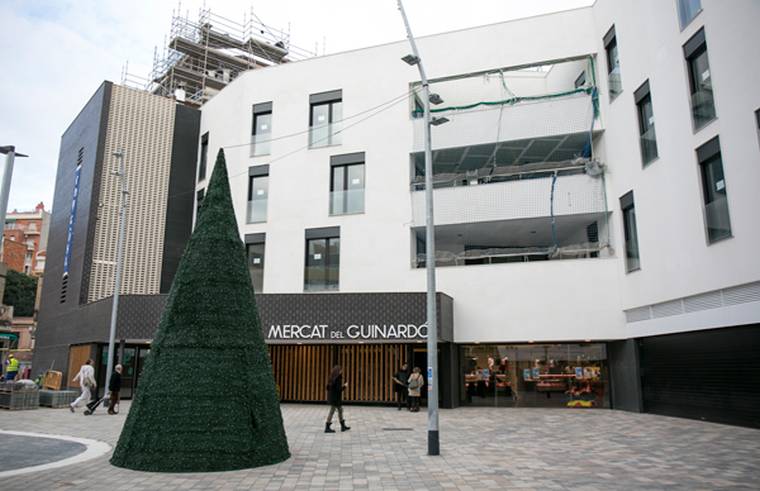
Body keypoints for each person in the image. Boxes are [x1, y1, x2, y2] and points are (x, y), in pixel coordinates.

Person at [324, 365, 350, 433]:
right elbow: (339, 389)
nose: (341, 371)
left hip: (332, 397)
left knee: (340, 410)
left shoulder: (331, 378)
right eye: (341, 370)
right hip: (336, 398)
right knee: (333, 411)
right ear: (338, 371)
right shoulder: (338, 378)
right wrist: (345, 386)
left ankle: (342, 426)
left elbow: (327, 387)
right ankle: (327, 427)